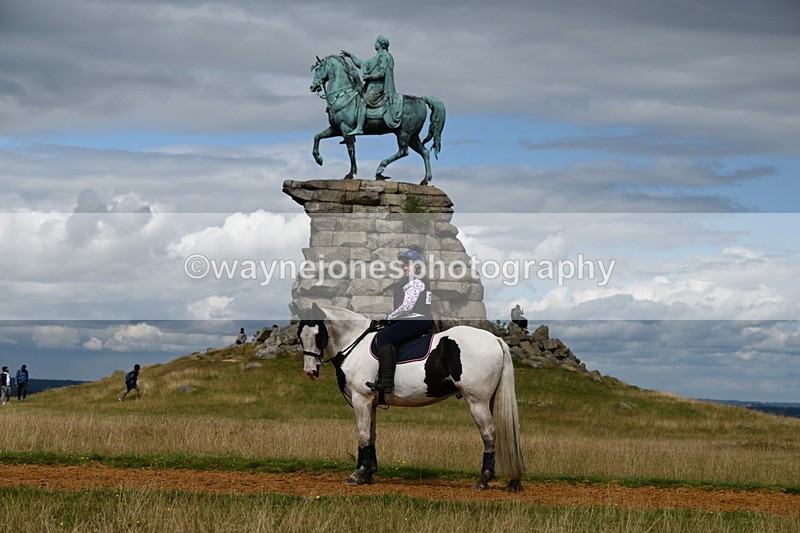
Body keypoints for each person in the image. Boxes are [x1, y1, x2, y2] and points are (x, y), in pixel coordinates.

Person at [366, 246, 434, 394]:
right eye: (403, 264)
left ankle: (386, 381)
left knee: (385, 337)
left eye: (407, 264)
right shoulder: (414, 281)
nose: (404, 267)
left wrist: (388, 318)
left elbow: (407, 307)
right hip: (416, 319)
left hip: (416, 320)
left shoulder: (415, 282)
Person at [341, 35, 402, 136]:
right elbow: (362, 64)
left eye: (376, 42)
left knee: (362, 101)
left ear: (381, 44)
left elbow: (382, 73)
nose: (374, 44)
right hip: (372, 86)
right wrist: (350, 55)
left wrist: (369, 77)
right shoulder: (377, 57)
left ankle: (360, 128)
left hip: (379, 88)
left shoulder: (385, 57)